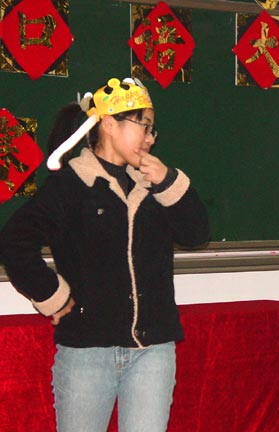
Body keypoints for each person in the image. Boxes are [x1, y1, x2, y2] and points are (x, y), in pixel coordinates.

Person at [0, 77, 210, 432]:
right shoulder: (71, 184)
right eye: (144, 126)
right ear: (110, 123)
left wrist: (168, 181)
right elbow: (14, 241)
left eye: (152, 130)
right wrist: (52, 295)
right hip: (87, 351)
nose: (150, 138)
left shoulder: (153, 182)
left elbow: (197, 234)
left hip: (152, 350)